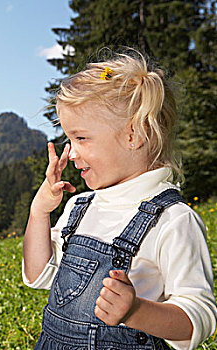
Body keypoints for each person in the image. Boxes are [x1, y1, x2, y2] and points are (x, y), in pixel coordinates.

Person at [22, 51, 216, 350]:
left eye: (81, 138)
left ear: (134, 135)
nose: (71, 154)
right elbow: (38, 275)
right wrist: (39, 212)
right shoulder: (79, 207)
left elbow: (198, 319)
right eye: (68, 140)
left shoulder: (173, 220)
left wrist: (136, 311)